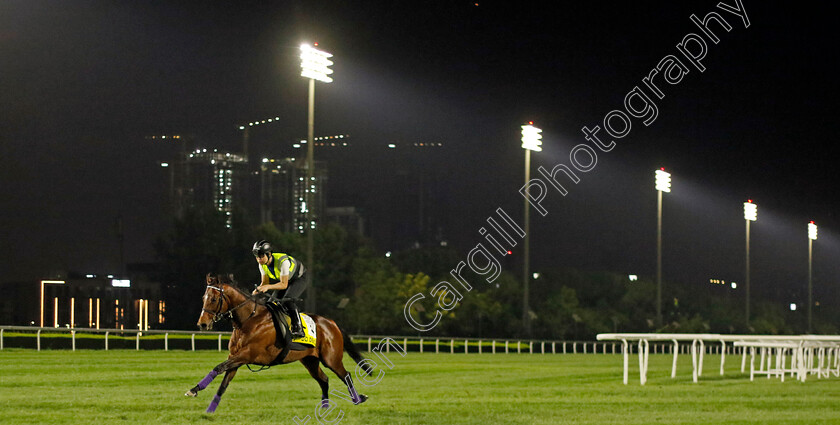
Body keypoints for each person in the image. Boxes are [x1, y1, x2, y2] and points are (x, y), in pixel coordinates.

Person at [251, 240, 307, 338]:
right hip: (286, 281)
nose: (259, 259)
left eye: (261, 256)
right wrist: (256, 291)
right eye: (257, 257)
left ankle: (298, 327)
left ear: (269, 254)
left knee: (287, 300)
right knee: (270, 304)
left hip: (299, 278)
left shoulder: (283, 262)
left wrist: (267, 287)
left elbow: (284, 285)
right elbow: (265, 283)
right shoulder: (262, 265)